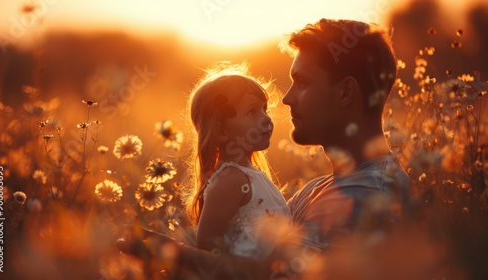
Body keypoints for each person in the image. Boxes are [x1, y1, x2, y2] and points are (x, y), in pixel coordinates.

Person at [118, 18, 410, 280]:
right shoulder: (318, 189)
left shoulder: (371, 196)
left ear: (346, 92)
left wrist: (175, 253)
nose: (286, 99)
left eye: (303, 83)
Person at [184, 64, 292, 260]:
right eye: (252, 112)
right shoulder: (231, 179)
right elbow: (207, 245)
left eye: (264, 109)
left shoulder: (249, 175)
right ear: (221, 132)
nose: (266, 119)